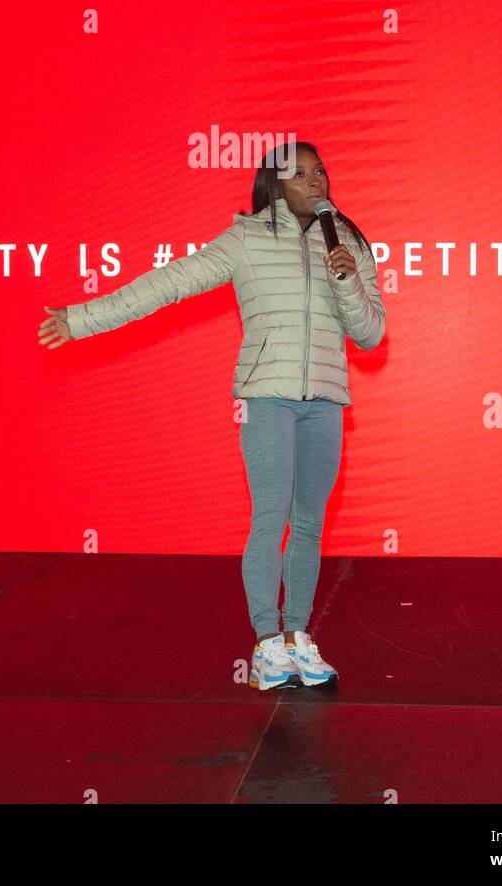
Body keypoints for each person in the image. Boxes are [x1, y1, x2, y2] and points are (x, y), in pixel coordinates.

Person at [38, 142, 386, 692]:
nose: (316, 181)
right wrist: (83, 318)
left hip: (325, 400)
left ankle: (299, 639)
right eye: (301, 174)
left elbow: (370, 335)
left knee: (311, 523)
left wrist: (344, 276)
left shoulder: (346, 240)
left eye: (321, 171)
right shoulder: (246, 239)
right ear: (275, 183)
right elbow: (168, 282)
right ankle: (267, 645)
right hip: (266, 396)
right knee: (271, 517)